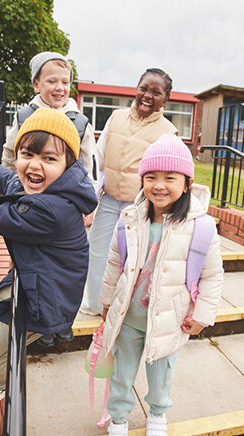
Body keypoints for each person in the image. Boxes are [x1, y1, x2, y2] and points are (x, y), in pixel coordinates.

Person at [0, 108, 98, 417]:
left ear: (68, 164)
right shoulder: (49, 186)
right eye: (27, 154)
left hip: (46, 299)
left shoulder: (53, 209)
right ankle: (0, 362)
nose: (34, 165)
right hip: (29, 279)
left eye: (49, 158)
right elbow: (14, 182)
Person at [102, 134, 223, 436]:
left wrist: (203, 315)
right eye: (151, 177)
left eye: (170, 177)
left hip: (169, 320)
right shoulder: (129, 219)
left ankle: (157, 415)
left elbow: (212, 275)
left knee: (161, 376)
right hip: (129, 317)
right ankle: (118, 420)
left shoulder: (201, 227)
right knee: (121, 375)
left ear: (186, 183)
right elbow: (115, 263)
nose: (159, 185)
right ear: (142, 180)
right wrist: (106, 302)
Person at [81, 68, 179, 316]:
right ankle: (94, 304)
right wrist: (90, 199)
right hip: (108, 201)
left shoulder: (168, 133)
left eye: (156, 92)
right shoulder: (116, 117)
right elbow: (97, 159)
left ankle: (124, 309)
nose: (147, 95)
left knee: (133, 260)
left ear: (165, 99)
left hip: (140, 207)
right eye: (144, 88)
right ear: (136, 89)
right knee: (97, 252)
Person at [3, 52, 96, 193]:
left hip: (64, 197)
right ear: (36, 85)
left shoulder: (80, 122)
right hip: (28, 190)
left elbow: (88, 165)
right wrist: (8, 184)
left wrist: (90, 200)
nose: (59, 87)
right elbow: (10, 153)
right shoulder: (24, 116)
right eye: (52, 81)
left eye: (65, 82)